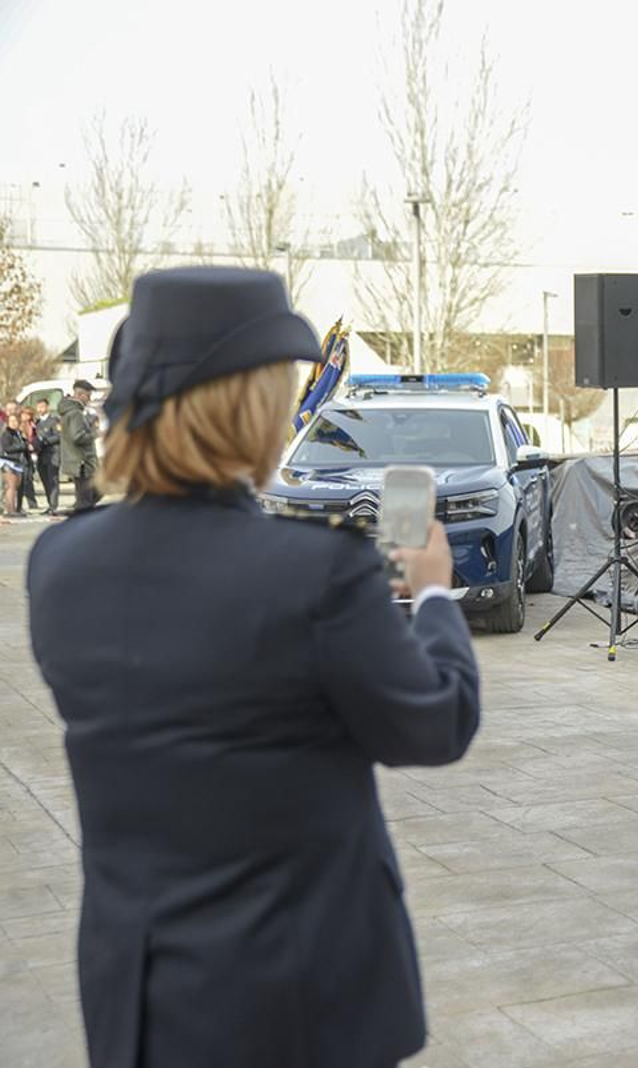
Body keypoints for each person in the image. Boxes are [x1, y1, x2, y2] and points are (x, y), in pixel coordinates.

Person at [27, 267, 481, 1068]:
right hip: (298, 1005)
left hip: (140, 1002)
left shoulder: (59, 564)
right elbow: (434, 723)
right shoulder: (314, 572)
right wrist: (436, 596)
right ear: (250, 407)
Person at [59, 379, 100, 512]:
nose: (89, 399)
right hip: (82, 462)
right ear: (80, 395)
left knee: (88, 496)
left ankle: (78, 513)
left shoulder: (70, 411)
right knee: (87, 500)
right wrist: (95, 433)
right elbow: (78, 437)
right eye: (88, 396)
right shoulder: (75, 413)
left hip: (77, 461)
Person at [32, 397, 61, 515]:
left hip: (52, 455)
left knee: (52, 480)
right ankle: (50, 505)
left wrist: (45, 440)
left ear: (47, 407)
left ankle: (53, 506)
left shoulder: (54, 420)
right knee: (45, 481)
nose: (40, 409)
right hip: (41, 456)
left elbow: (59, 436)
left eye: (42, 406)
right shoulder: (37, 422)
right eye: (38, 407)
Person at [0, 411, 25, 515]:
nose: (13, 423)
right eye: (11, 421)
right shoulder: (6, 433)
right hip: (8, 462)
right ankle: (10, 510)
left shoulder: (18, 433)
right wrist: (21, 447)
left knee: (16, 486)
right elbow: (7, 448)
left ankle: (14, 508)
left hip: (17, 462)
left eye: (15, 421)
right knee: (11, 486)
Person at [17, 407, 39, 511]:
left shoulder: (33, 426)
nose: (26, 417)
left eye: (28, 415)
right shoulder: (19, 426)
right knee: (22, 480)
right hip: (22, 456)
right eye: (24, 414)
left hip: (31, 455)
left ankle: (32, 503)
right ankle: (19, 504)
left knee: (29, 479)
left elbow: (35, 438)